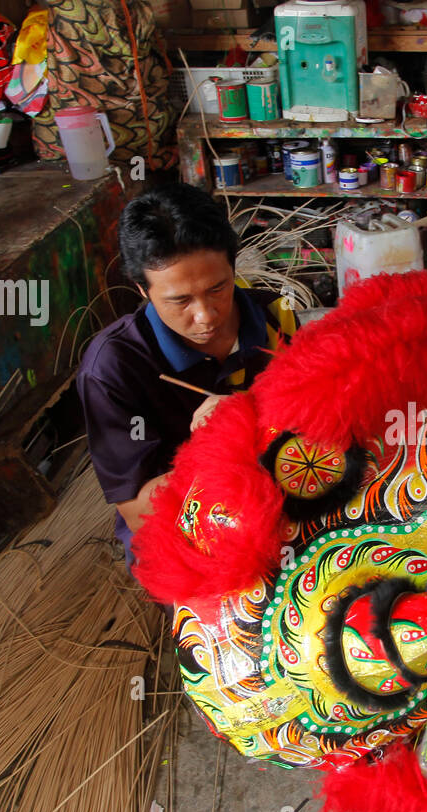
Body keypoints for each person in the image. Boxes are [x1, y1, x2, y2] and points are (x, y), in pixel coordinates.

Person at [77, 183, 298, 567]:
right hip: (182, 530)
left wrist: (258, 419)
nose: (206, 316)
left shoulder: (273, 318)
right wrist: (218, 447)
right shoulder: (111, 368)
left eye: (218, 288)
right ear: (142, 289)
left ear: (233, 266)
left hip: (278, 497)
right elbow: (138, 510)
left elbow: (309, 421)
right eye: (180, 300)